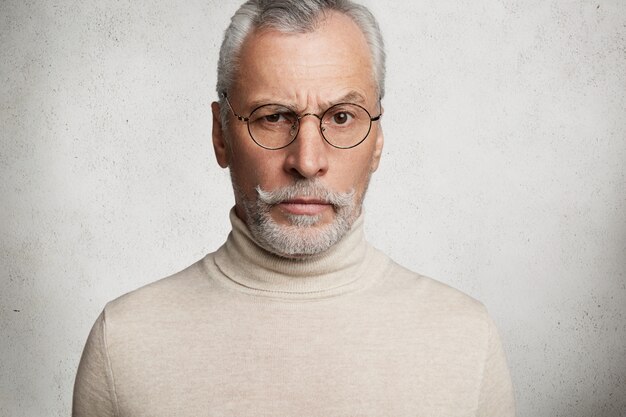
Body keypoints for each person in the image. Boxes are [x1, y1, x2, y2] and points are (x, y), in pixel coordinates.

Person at [73, 0, 516, 416]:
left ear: (378, 140)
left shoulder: (465, 338)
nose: (307, 162)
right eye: (274, 116)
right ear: (220, 134)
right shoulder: (125, 342)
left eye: (342, 117)